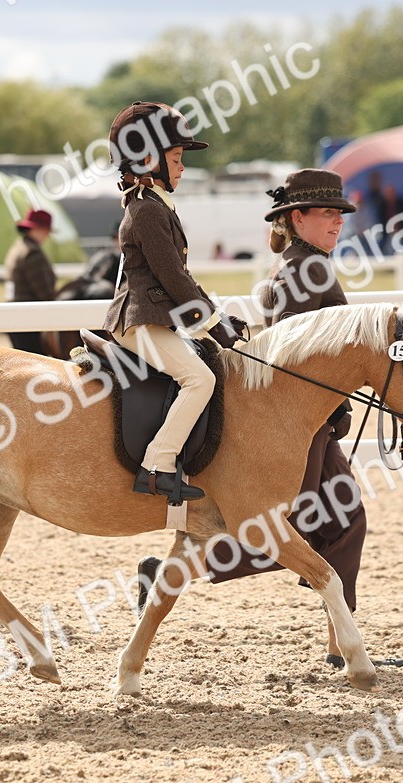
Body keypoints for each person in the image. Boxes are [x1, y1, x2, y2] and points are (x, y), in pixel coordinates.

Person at [137, 169, 374, 668]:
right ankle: (173, 571)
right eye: (327, 214)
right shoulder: (299, 275)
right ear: (296, 218)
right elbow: (299, 358)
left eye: (339, 214)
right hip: (298, 425)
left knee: (342, 519)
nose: (337, 223)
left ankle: (339, 643)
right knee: (281, 526)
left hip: (315, 423)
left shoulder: (307, 267)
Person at [103, 100, 244, 504]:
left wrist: (217, 317)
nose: (183, 167)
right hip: (140, 322)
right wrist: (213, 325)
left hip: (151, 319)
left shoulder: (154, 205)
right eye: (177, 157)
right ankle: (156, 466)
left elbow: (183, 279)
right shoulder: (146, 211)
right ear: (147, 158)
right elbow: (173, 279)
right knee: (200, 379)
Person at [4, 208, 57, 355]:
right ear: (39, 229)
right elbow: (44, 292)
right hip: (29, 317)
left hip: (14, 314)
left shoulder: (18, 247)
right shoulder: (33, 253)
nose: (47, 235)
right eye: (46, 231)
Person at [374, 184, 403, 256]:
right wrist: (389, 228)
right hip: (386, 230)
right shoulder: (382, 204)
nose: (390, 195)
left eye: (392, 192)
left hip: (400, 229)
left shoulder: (400, 203)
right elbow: (380, 218)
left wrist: (398, 228)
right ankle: (382, 258)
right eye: (388, 193)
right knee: (383, 242)